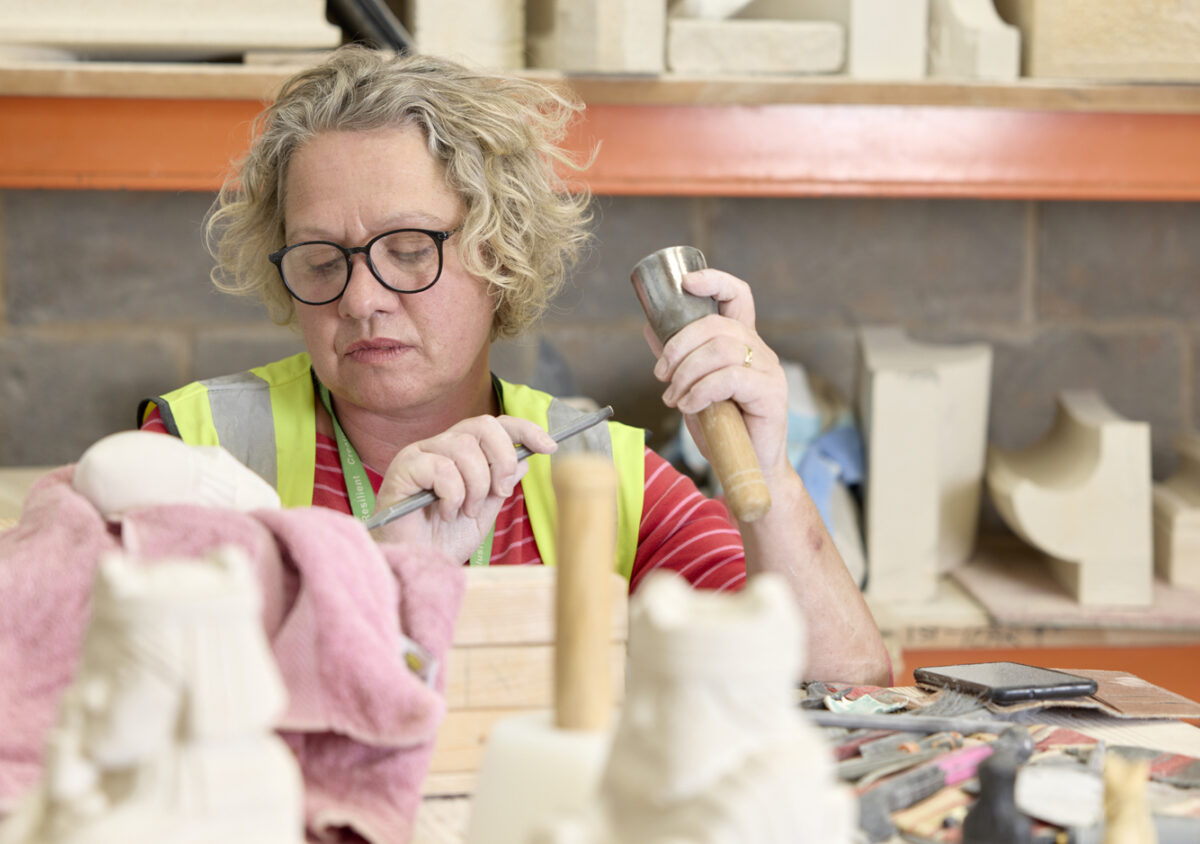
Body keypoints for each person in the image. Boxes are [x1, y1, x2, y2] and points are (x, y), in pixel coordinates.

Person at [138, 44, 889, 686]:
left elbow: (846, 690)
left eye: (407, 251)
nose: (361, 298)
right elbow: (98, 702)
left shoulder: (603, 473)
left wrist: (770, 480)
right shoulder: (195, 448)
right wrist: (381, 572)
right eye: (320, 258)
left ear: (499, 255)